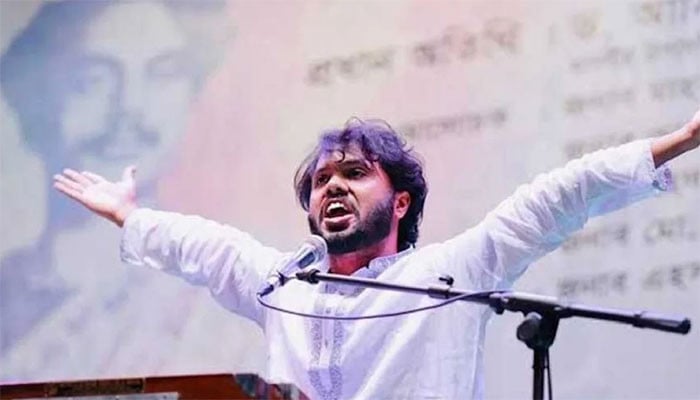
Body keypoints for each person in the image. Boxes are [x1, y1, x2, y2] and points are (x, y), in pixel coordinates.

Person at [54, 110, 699, 399]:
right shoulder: (283, 285)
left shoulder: (452, 271)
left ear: (399, 202)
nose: (331, 186)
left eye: (355, 173)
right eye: (320, 181)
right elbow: (204, 247)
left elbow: (559, 196)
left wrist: (683, 138)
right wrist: (131, 215)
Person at [0, 0, 232, 379]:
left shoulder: (220, 290)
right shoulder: (8, 287)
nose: (130, 108)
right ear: (35, 105)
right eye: (93, 79)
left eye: (161, 75)